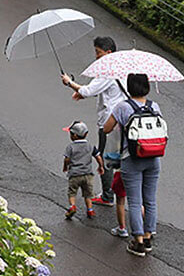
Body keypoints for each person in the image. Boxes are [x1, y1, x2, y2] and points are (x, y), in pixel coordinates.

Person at [62, 36, 126, 206]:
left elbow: (89, 90)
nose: (96, 56)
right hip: (123, 120)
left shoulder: (108, 70)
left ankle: (107, 195)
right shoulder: (122, 68)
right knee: (120, 157)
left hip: (109, 123)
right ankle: (119, 191)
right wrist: (82, 92)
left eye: (99, 53)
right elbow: (109, 91)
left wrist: (70, 83)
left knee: (105, 159)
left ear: (108, 52)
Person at [103, 73, 162, 257]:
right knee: (150, 200)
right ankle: (148, 236)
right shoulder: (154, 106)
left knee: (135, 202)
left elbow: (106, 128)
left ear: (129, 87)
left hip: (132, 159)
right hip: (153, 158)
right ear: (147, 87)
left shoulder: (123, 107)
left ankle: (138, 243)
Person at [63, 120, 104, 219]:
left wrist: (65, 167)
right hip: (88, 175)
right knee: (88, 194)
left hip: (75, 174)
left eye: (71, 134)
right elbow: (98, 156)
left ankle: (72, 206)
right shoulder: (90, 146)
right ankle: (90, 210)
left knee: (72, 192)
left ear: (75, 136)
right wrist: (101, 166)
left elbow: (67, 159)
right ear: (86, 134)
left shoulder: (70, 147)